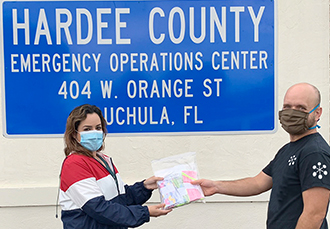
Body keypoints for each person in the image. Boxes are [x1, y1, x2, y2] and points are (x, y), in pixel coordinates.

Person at [192, 83, 330, 229]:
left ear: (317, 113)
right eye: (287, 107)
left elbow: (314, 215)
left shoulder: (315, 153)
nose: (292, 112)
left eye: (301, 108)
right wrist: (216, 186)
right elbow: (257, 183)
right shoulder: (287, 150)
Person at [59, 104, 171, 229]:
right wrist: (145, 212)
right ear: (74, 134)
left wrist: (145, 186)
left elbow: (121, 199)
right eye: (87, 129)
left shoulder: (104, 160)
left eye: (98, 128)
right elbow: (98, 208)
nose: (94, 133)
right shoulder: (74, 164)